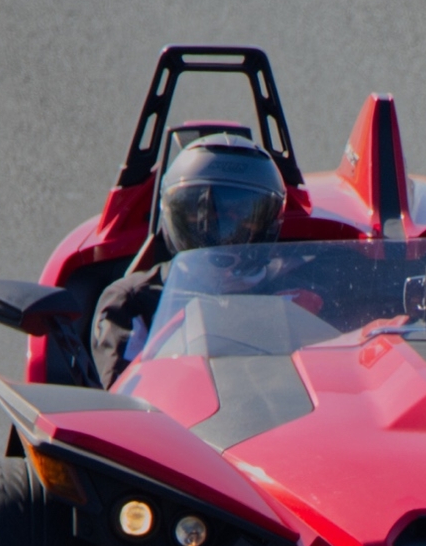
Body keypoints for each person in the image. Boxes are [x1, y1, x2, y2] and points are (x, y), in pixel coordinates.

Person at [91, 134, 288, 386]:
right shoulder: (132, 301)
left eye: (241, 213)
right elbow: (123, 402)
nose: (225, 229)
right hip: (171, 422)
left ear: (269, 222)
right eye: (204, 214)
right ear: (177, 214)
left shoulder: (294, 292)